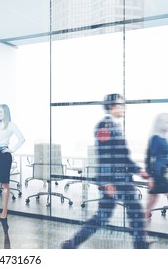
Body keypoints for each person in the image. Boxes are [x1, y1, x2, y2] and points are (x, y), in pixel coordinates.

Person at [61, 93, 149, 249]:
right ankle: (72, 244)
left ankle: (141, 244)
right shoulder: (104, 126)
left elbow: (123, 157)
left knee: (133, 212)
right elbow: (104, 155)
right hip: (114, 180)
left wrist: (139, 170)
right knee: (103, 217)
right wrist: (106, 182)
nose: (124, 108)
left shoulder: (116, 126)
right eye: (121, 105)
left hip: (123, 179)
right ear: (112, 106)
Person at [144, 113, 168, 227]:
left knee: (151, 201)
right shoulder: (156, 138)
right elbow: (151, 158)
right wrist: (151, 178)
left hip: (160, 172)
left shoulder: (163, 137)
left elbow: (164, 158)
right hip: (157, 174)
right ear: (161, 123)